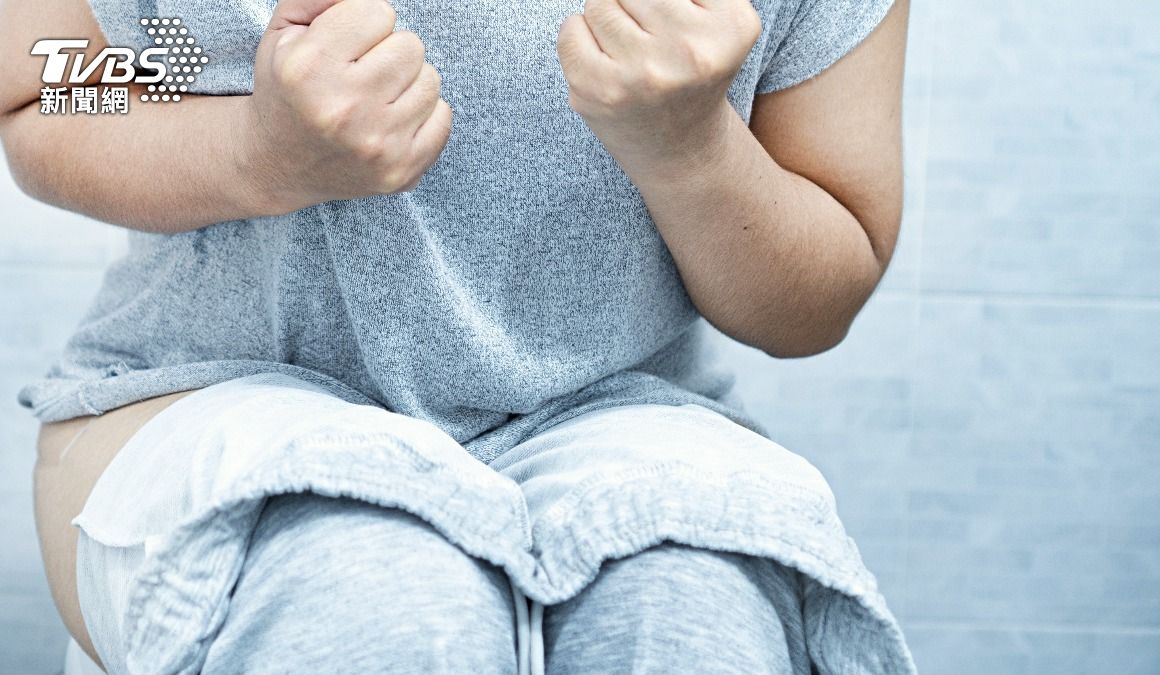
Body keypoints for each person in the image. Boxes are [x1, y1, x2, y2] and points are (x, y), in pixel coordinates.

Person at [0, 0, 915, 672]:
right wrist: (251, 150)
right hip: (212, 391)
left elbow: (821, 294)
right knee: (369, 595)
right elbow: (54, 91)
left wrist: (694, 148)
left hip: (620, 412)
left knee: (687, 612)